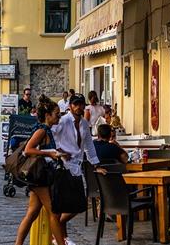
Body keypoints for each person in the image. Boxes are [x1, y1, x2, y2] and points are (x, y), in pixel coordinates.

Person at [14, 97, 68, 245]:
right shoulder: (41, 130)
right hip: (40, 177)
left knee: (32, 212)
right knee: (54, 213)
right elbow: (28, 149)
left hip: (40, 176)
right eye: (57, 113)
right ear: (48, 115)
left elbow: (43, 148)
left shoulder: (46, 130)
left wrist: (58, 152)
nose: (59, 116)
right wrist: (50, 154)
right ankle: (60, 243)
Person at [52, 94, 104, 244]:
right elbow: (52, 137)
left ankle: (59, 227)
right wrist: (60, 151)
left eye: (81, 104)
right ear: (70, 106)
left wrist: (96, 164)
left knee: (80, 203)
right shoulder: (63, 121)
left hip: (77, 166)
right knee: (65, 203)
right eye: (76, 104)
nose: (79, 107)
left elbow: (89, 145)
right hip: (63, 165)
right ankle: (62, 237)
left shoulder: (84, 124)